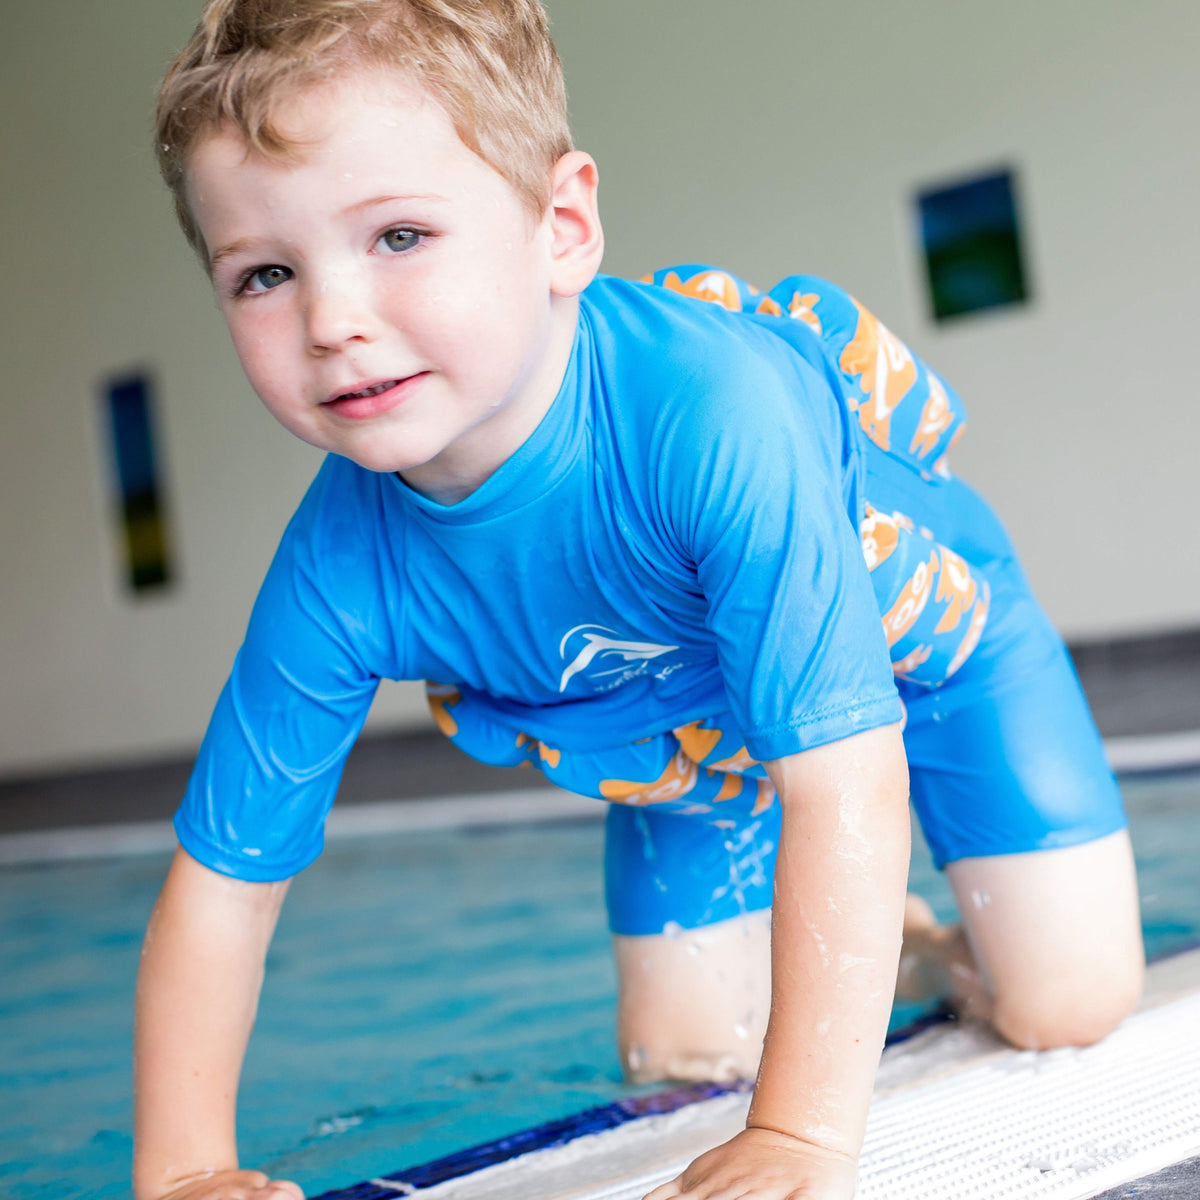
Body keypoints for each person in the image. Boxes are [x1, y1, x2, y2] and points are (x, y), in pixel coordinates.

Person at [135, 2, 1145, 1198]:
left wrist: (804, 1135)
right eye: (264, 272)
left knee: (1065, 1005)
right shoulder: (339, 566)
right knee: (685, 1065)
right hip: (687, 741)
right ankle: (909, 951)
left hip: (930, 665)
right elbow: (223, 884)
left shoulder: (709, 414)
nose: (332, 321)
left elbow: (847, 776)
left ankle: (956, 955)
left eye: (399, 235)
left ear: (561, 228)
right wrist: (186, 1170)